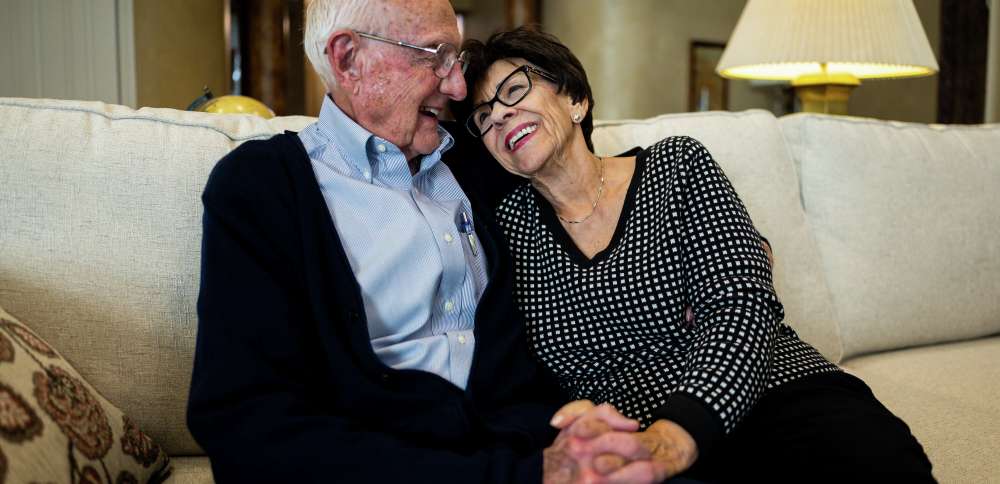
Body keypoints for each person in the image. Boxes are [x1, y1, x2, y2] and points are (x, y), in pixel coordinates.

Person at [187, 1, 675, 483]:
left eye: (456, 60)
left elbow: (585, 194)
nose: (459, 86)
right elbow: (246, 427)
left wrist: (732, 256)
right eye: (435, 56)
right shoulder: (262, 186)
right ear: (348, 58)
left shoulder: (479, 157)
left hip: (530, 444)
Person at [452, 27, 936, 483]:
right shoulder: (509, 231)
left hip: (773, 394)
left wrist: (677, 434)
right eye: (483, 117)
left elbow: (742, 308)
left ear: (575, 97)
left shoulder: (675, 167)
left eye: (515, 91)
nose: (499, 115)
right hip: (636, 437)